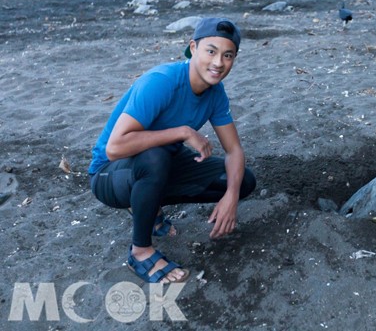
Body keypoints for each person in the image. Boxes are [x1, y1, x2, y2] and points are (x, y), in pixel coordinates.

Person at [88, 17, 256, 284]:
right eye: (210, 51)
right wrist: (184, 132)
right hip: (110, 175)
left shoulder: (216, 94)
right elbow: (115, 148)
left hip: (159, 165)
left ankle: (147, 204)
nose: (218, 63)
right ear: (193, 47)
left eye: (228, 55)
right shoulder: (161, 81)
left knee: (243, 180)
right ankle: (140, 251)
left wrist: (231, 197)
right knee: (155, 158)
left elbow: (234, 151)